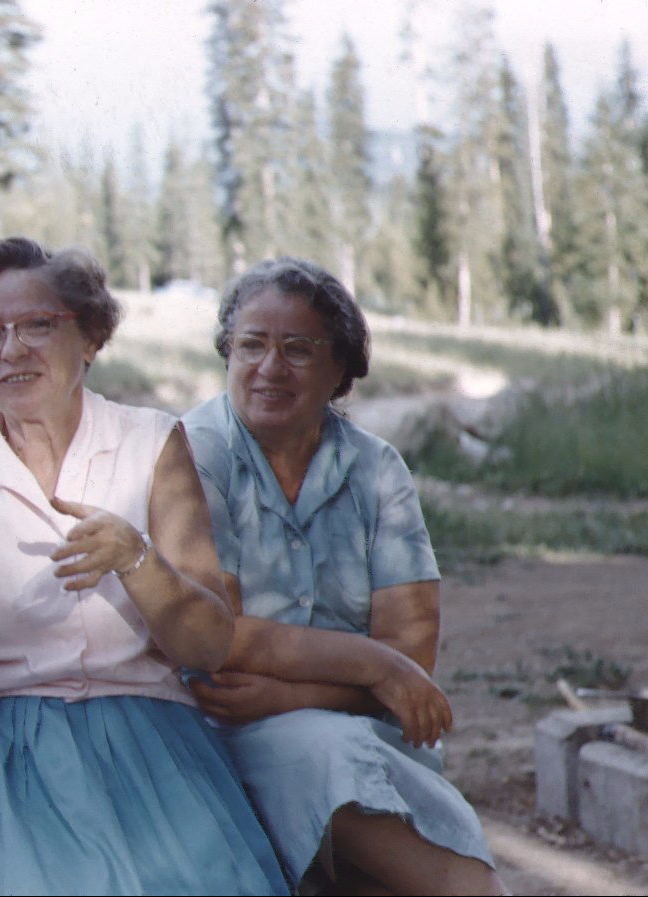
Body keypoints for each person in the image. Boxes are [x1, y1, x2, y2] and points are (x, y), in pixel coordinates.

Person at [0, 237, 288, 896]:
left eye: (38, 325)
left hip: (147, 743)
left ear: (91, 336)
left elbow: (208, 643)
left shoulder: (151, 440)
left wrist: (135, 558)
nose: (12, 349)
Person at [181, 257, 507, 895]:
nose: (270, 368)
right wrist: (373, 668)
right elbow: (219, 640)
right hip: (224, 737)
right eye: (252, 345)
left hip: (360, 734)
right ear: (227, 353)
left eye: (297, 350)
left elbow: (411, 655)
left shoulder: (375, 469)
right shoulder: (196, 453)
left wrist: (295, 695)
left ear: (340, 369)